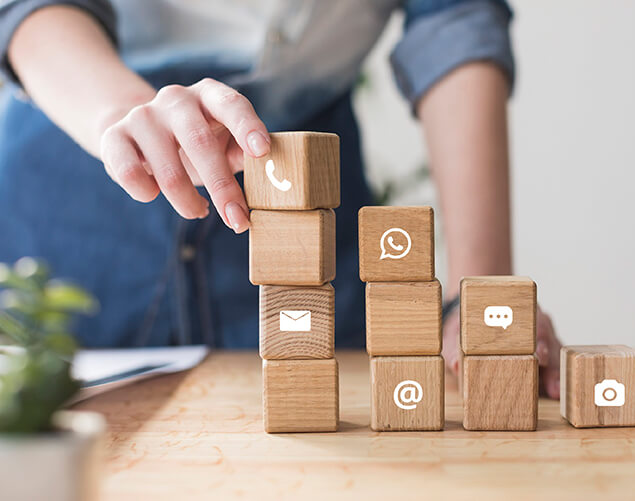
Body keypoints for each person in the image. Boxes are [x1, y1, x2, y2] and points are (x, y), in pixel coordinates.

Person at [0, 0, 561, 397]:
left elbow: (454, 20)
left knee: (326, 428)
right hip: (81, 177)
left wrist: (475, 295)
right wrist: (119, 115)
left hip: (303, 177)